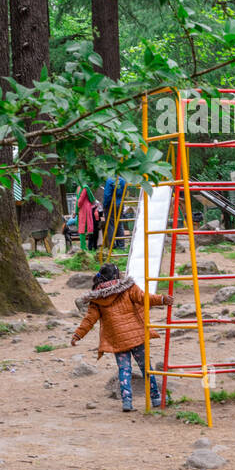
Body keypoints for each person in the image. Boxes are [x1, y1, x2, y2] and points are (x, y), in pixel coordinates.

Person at [70, 262, 173, 412]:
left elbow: (89, 319)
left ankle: (127, 401)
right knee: (146, 368)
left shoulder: (97, 298)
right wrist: (162, 300)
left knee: (124, 369)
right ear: (117, 275)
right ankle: (156, 397)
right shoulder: (129, 287)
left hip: (117, 339)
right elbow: (144, 298)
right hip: (136, 336)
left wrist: (77, 335)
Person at [102, 176, 126, 248]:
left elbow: (107, 195)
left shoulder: (110, 180)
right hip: (120, 203)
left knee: (110, 225)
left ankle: (113, 245)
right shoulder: (123, 180)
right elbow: (124, 192)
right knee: (119, 224)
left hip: (111, 204)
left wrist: (105, 205)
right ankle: (121, 245)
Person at [76, 184, 99, 251]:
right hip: (85, 210)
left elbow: (78, 201)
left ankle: (85, 247)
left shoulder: (79, 188)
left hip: (82, 210)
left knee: (83, 228)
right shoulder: (85, 187)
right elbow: (80, 201)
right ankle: (87, 247)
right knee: (86, 229)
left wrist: (76, 210)